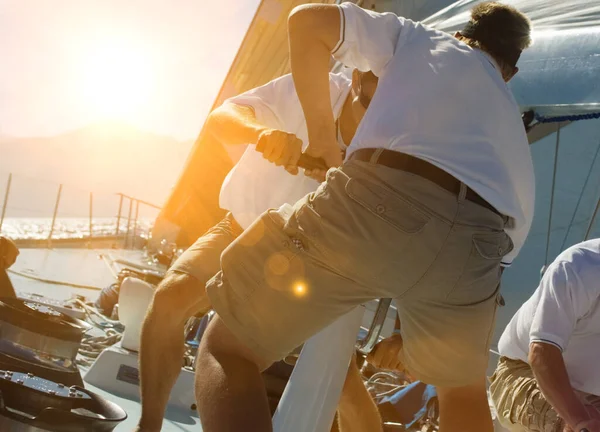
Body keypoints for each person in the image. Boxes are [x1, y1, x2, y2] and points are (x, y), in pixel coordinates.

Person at [193, 2, 535, 431]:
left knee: (229, 348)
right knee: (461, 394)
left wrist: (322, 141)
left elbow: (307, 21)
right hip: (479, 244)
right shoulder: (507, 114)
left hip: (377, 199)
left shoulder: (419, 38)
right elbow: (510, 240)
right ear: (512, 71)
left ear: (461, 35)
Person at [135, 69, 380, 432]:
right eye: (370, 100)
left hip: (312, 263)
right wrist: (262, 134)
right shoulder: (316, 86)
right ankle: (149, 427)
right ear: (357, 77)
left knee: (338, 378)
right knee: (169, 300)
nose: (375, 114)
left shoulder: (400, 133)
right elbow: (222, 118)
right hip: (242, 228)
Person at [490, 239, 600, 432]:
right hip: (521, 372)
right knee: (576, 421)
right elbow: (542, 354)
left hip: (591, 395)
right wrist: (581, 423)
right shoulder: (579, 266)